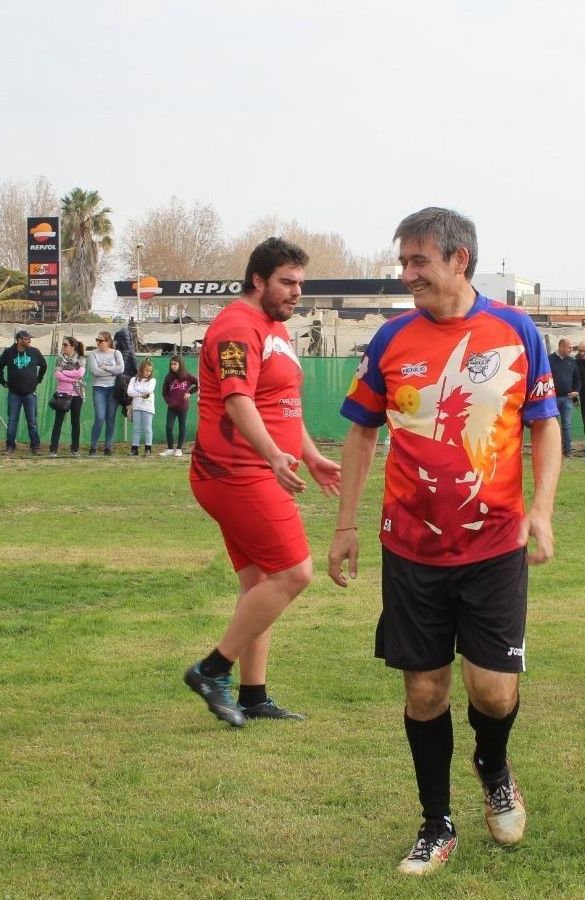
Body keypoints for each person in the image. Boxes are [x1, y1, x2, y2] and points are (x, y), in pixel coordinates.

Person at [329, 207, 560, 876]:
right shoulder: (391, 339)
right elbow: (362, 432)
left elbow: (544, 425)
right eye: (403, 262)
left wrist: (541, 509)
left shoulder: (516, 331)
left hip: (493, 544)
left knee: (493, 690)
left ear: (459, 260)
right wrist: (346, 524)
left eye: (418, 262)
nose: (407, 276)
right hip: (410, 548)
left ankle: (493, 766)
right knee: (424, 692)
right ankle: (436, 823)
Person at [182, 237, 341, 730]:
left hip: (253, 467)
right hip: (234, 470)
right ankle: (212, 671)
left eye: (300, 284)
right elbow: (237, 400)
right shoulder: (235, 325)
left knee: (259, 583)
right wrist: (272, 455)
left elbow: (283, 406)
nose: (297, 293)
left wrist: (310, 454)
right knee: (293, 573)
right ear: (258, 280)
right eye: (287, 283)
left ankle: (253, 695)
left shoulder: (275, 329)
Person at [0, 329, 46, 453]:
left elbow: (44, 365)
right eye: (26, 338)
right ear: (18, 340)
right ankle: (10, 446)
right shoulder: (9, 352)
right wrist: (3, 381)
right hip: (14, 393)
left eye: (30, 338)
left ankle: (35, 447)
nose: (29, 340)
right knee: (12, 420)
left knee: (32, 421)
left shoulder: (34, 352)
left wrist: (37, 380)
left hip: (30, 393)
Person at [87, 331, 126, 455]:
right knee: (99, 417)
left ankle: (108, 447)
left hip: (113, 388)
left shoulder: (116, 353)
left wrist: (106, 367)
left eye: (101, 340)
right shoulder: (93, 354)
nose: (98, 342)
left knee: (110, 419)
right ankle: (93, 446)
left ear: (108, 341)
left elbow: (121, 369)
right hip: (99, 388)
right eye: (97, 340)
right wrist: (112, 372)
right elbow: (95, 371)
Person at [47, 337, 86, 455]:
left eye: (66, 345)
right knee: (58, 421)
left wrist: (64, 372)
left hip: (77, 393)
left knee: (75, 421)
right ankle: (53, 449)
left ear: (73, 346)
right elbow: (58, 375)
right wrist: (71, 377)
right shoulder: (60, 358)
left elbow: (80, 373)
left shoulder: (81, 359)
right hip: (63, 393)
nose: (63, 347)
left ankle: (75, 449)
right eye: (63, 345)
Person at [161, 354, 198, 457]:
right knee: (169, 426)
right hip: (172, 407)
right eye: (171, 364)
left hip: (183, 407)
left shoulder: (187, 376)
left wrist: (190, 392)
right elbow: (164, 392)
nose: (173, 366)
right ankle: (169, 449)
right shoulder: (169, 377)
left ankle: (179, 449)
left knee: (182, 426)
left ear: (180, 364)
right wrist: (169, 401)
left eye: (175, 364)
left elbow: (198, 384)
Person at [548, 338, 580, 456]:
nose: (571, 349)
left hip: (567, 399)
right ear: (561, 347)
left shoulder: (572, 361)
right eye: (569, 347)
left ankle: (568, 450)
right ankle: (554, 451)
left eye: (571, 347)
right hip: (552, 399)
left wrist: (576, 391)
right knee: (552, 426)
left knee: (567, 425)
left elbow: (577, 379)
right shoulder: (548, 359)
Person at [127, 358, 157, 457]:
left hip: (148, 407)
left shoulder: (152, 380)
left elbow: (149, 390)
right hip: (136, 406)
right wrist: (141, 393)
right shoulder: (133, 379)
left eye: (150, 371)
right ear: (141, 369)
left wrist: (137, 391)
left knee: (148, 428)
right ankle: (134, 449)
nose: (148, 373)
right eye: (146, 370)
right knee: (136, 428)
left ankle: (148, 448)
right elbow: (129, 392)